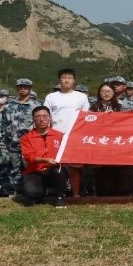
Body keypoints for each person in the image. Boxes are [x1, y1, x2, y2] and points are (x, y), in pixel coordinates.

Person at [43, 68, 90, 197]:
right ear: (59, 80)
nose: (66, 80)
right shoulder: (51, 97)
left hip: (75, 136)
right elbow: (46, 116)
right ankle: (58, 193)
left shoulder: (81, 97)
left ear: (74, 80)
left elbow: (85, 117)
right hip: (56, 134)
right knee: (57, 165)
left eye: (69, 78)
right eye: (64, 78)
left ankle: (76, 194)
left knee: (75, 166)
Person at [89, 83, 132, 196]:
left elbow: (126, 123)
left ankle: (118, 193)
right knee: (101, 168)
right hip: (99, 142)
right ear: (99, 93)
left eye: (109, 91)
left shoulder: (119, 107)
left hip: (115, 142)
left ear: (113, 93)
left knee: (116, 166)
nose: (106, 94)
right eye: (103, 91)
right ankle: (102, 193)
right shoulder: (93, 107)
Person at [20, 106, 67, 207]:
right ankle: (42, 192)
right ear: (33, 119)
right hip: (35, 171)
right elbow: (28, 156)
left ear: (50, 118)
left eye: (45, 116)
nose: (41, 119)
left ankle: (59, 197)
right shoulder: (26, 138)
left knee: (59, 171)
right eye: (38, 116)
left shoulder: (60, 135)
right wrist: (44, 160)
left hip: (53, 170)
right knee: (32, 193)